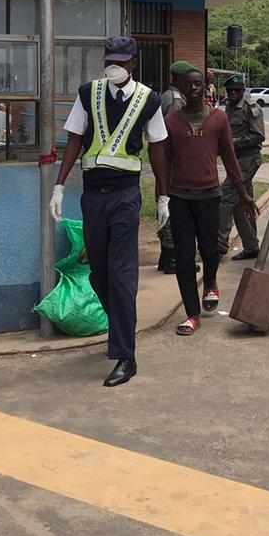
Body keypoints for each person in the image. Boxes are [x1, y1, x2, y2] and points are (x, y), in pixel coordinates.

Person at [50, 37, 169, 388]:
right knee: (99, 276)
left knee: (121, 276)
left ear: (133, 63)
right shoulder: (89, 92)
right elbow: (74, 138)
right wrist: (59, 186)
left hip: (125, 196)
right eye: (109, 61)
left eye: (120, 61)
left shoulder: (149, 99)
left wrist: (162, 196)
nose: (113, 66)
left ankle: (124, 355)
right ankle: (119, 328)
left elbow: (158, 148)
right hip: (93, 196)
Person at [162, 69, 257, 334]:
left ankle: (211, 280)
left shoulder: (219, 119)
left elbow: (229, 156)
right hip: (180, 198)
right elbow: (164, 162)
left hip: (209, 195)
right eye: (189, 84)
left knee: (210, 249)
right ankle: (192, 314)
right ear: (180, 86)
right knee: (183, 257)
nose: (194, 88)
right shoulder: (171, 121)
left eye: (199, 84)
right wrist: (162, 196)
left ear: (206, 88)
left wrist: (243, 193)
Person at [220, 76, 267, 260]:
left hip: (247, 160)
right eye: (230, 90)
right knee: (242, 203)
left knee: (223, 198)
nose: (233, 93)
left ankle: (219, 244)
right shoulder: (229, 106)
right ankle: (251, 246)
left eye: (237, 90)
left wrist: (232, 143)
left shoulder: (251, 108)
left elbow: (259, 136)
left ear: (243, 90)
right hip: (235, 161)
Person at [155, 61, 194, 275]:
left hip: (165, 160)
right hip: (172, 162)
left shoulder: (166, 96)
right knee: (172, 206)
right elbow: (176, 133)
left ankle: (165, 256)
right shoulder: (176, 101)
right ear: (179, 79)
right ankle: (171, 257)